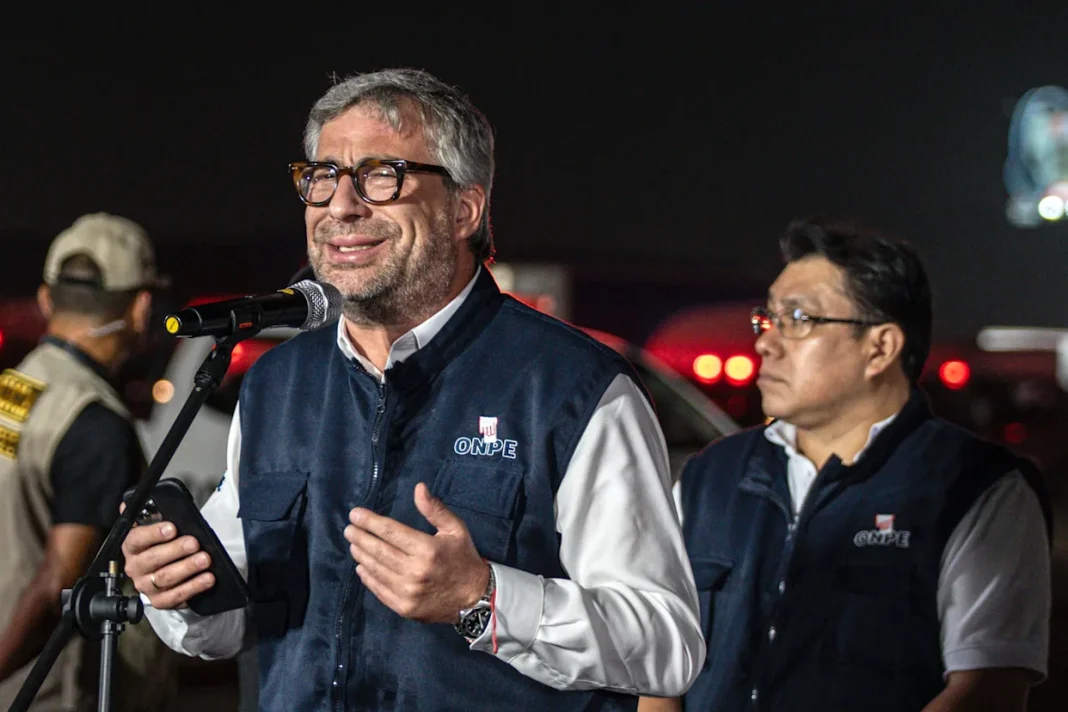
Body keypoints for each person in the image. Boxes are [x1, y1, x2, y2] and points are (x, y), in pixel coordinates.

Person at [123, 68, 705, 710]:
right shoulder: (275, 386)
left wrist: (485, 598)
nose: (341, 206)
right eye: (323, 177)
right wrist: (177, 591)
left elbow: (667, 645)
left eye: (381, 176)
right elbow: (233, 624)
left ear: (464, 209)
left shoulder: (573, 389)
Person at [640, 218, 1053, 712]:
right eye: (767, 318)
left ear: (880, 347)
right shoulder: (711, 476)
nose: (766, 342)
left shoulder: (974, 488)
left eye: (797, 318)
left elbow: (987, 690)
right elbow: (661, 664)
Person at [0, 213, 177, 711]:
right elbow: (57, 586)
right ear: (141, 308)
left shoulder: (13, 388)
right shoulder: (94, 422)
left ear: (45, 299)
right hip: (51, 693)